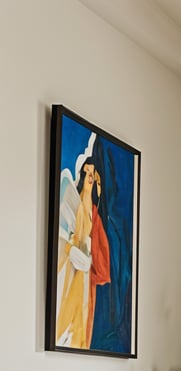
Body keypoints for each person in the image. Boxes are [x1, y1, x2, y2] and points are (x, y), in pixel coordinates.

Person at [53, 138, 112, 348]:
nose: (88, 178)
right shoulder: (71, 203)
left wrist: (88, 258)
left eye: (92, 175)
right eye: (85, 173)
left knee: (81, 323)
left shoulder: (93, 215)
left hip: (84, 281)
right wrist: (71, 249)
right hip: (69, 274)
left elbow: (102, 263)